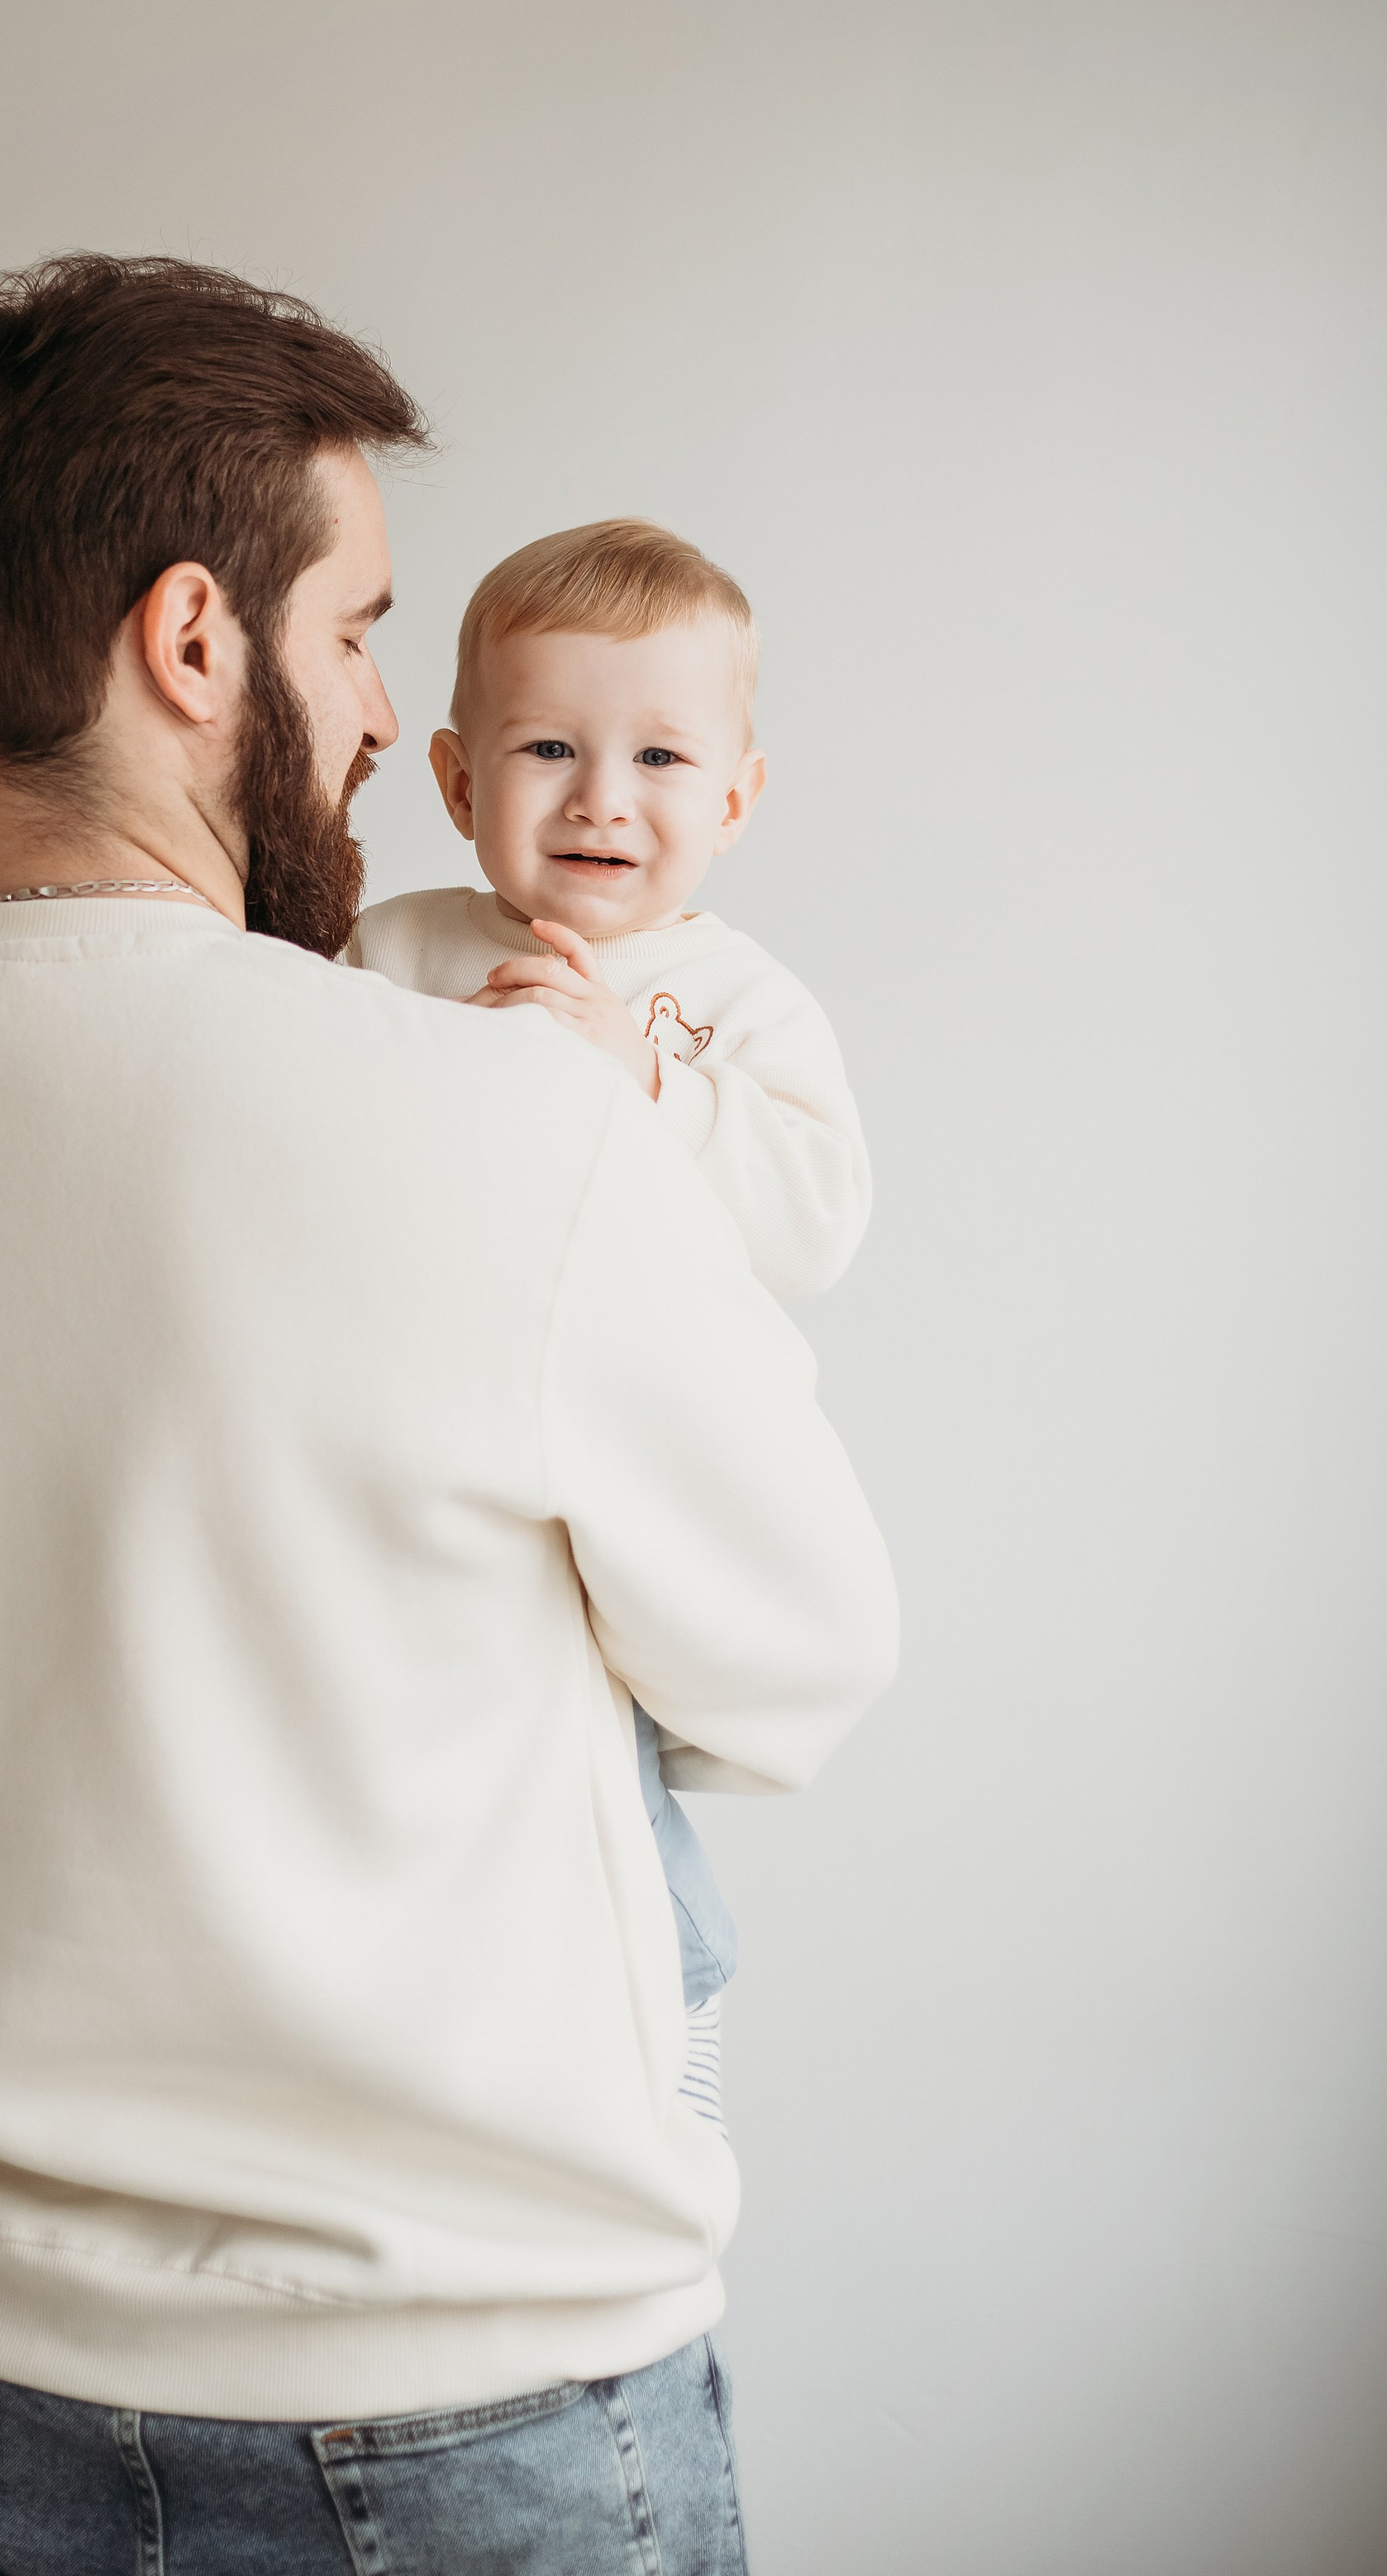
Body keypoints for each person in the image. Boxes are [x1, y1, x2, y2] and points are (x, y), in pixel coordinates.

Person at [0, 255, 898, 2575]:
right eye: (358, 635)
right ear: (195, 644)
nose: (389, 718)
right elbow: (796, 1675)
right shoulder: (501, 1119)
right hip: (465, 2406)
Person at [349, 518, 871, 2150]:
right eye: (546, 748)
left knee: (604, 1798)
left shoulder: (729, 1005)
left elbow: (809, 1216)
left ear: (733, 797)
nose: (598, 797)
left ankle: (667, 2081)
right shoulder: (394, 956)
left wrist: (639, 1077)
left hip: (627, 1477)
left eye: (656, 754)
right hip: (417, 1471)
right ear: (452, 778)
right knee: (424, 1775)